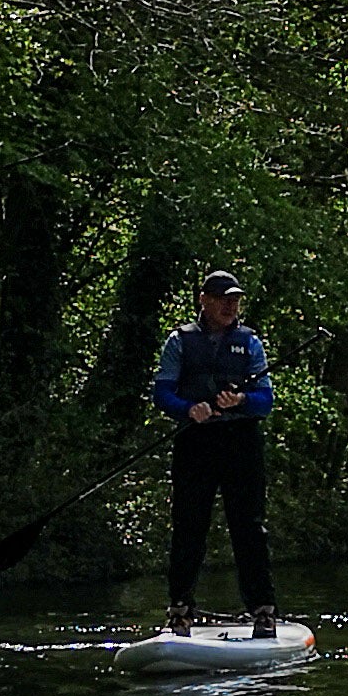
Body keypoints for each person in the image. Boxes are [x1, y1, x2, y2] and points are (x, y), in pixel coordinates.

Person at [154, 269, 276, 636]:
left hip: (241, 441)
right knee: (189, 525)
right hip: (196, 441)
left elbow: (265, 401)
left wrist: (240, 400)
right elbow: (163, 393)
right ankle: (180, 609)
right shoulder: (180, 341)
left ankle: (263, 610)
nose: (230, 305)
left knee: (249, 527)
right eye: (223, 298)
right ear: (203, 300)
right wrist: (188, 409)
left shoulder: (251, 343)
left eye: (234, 299)